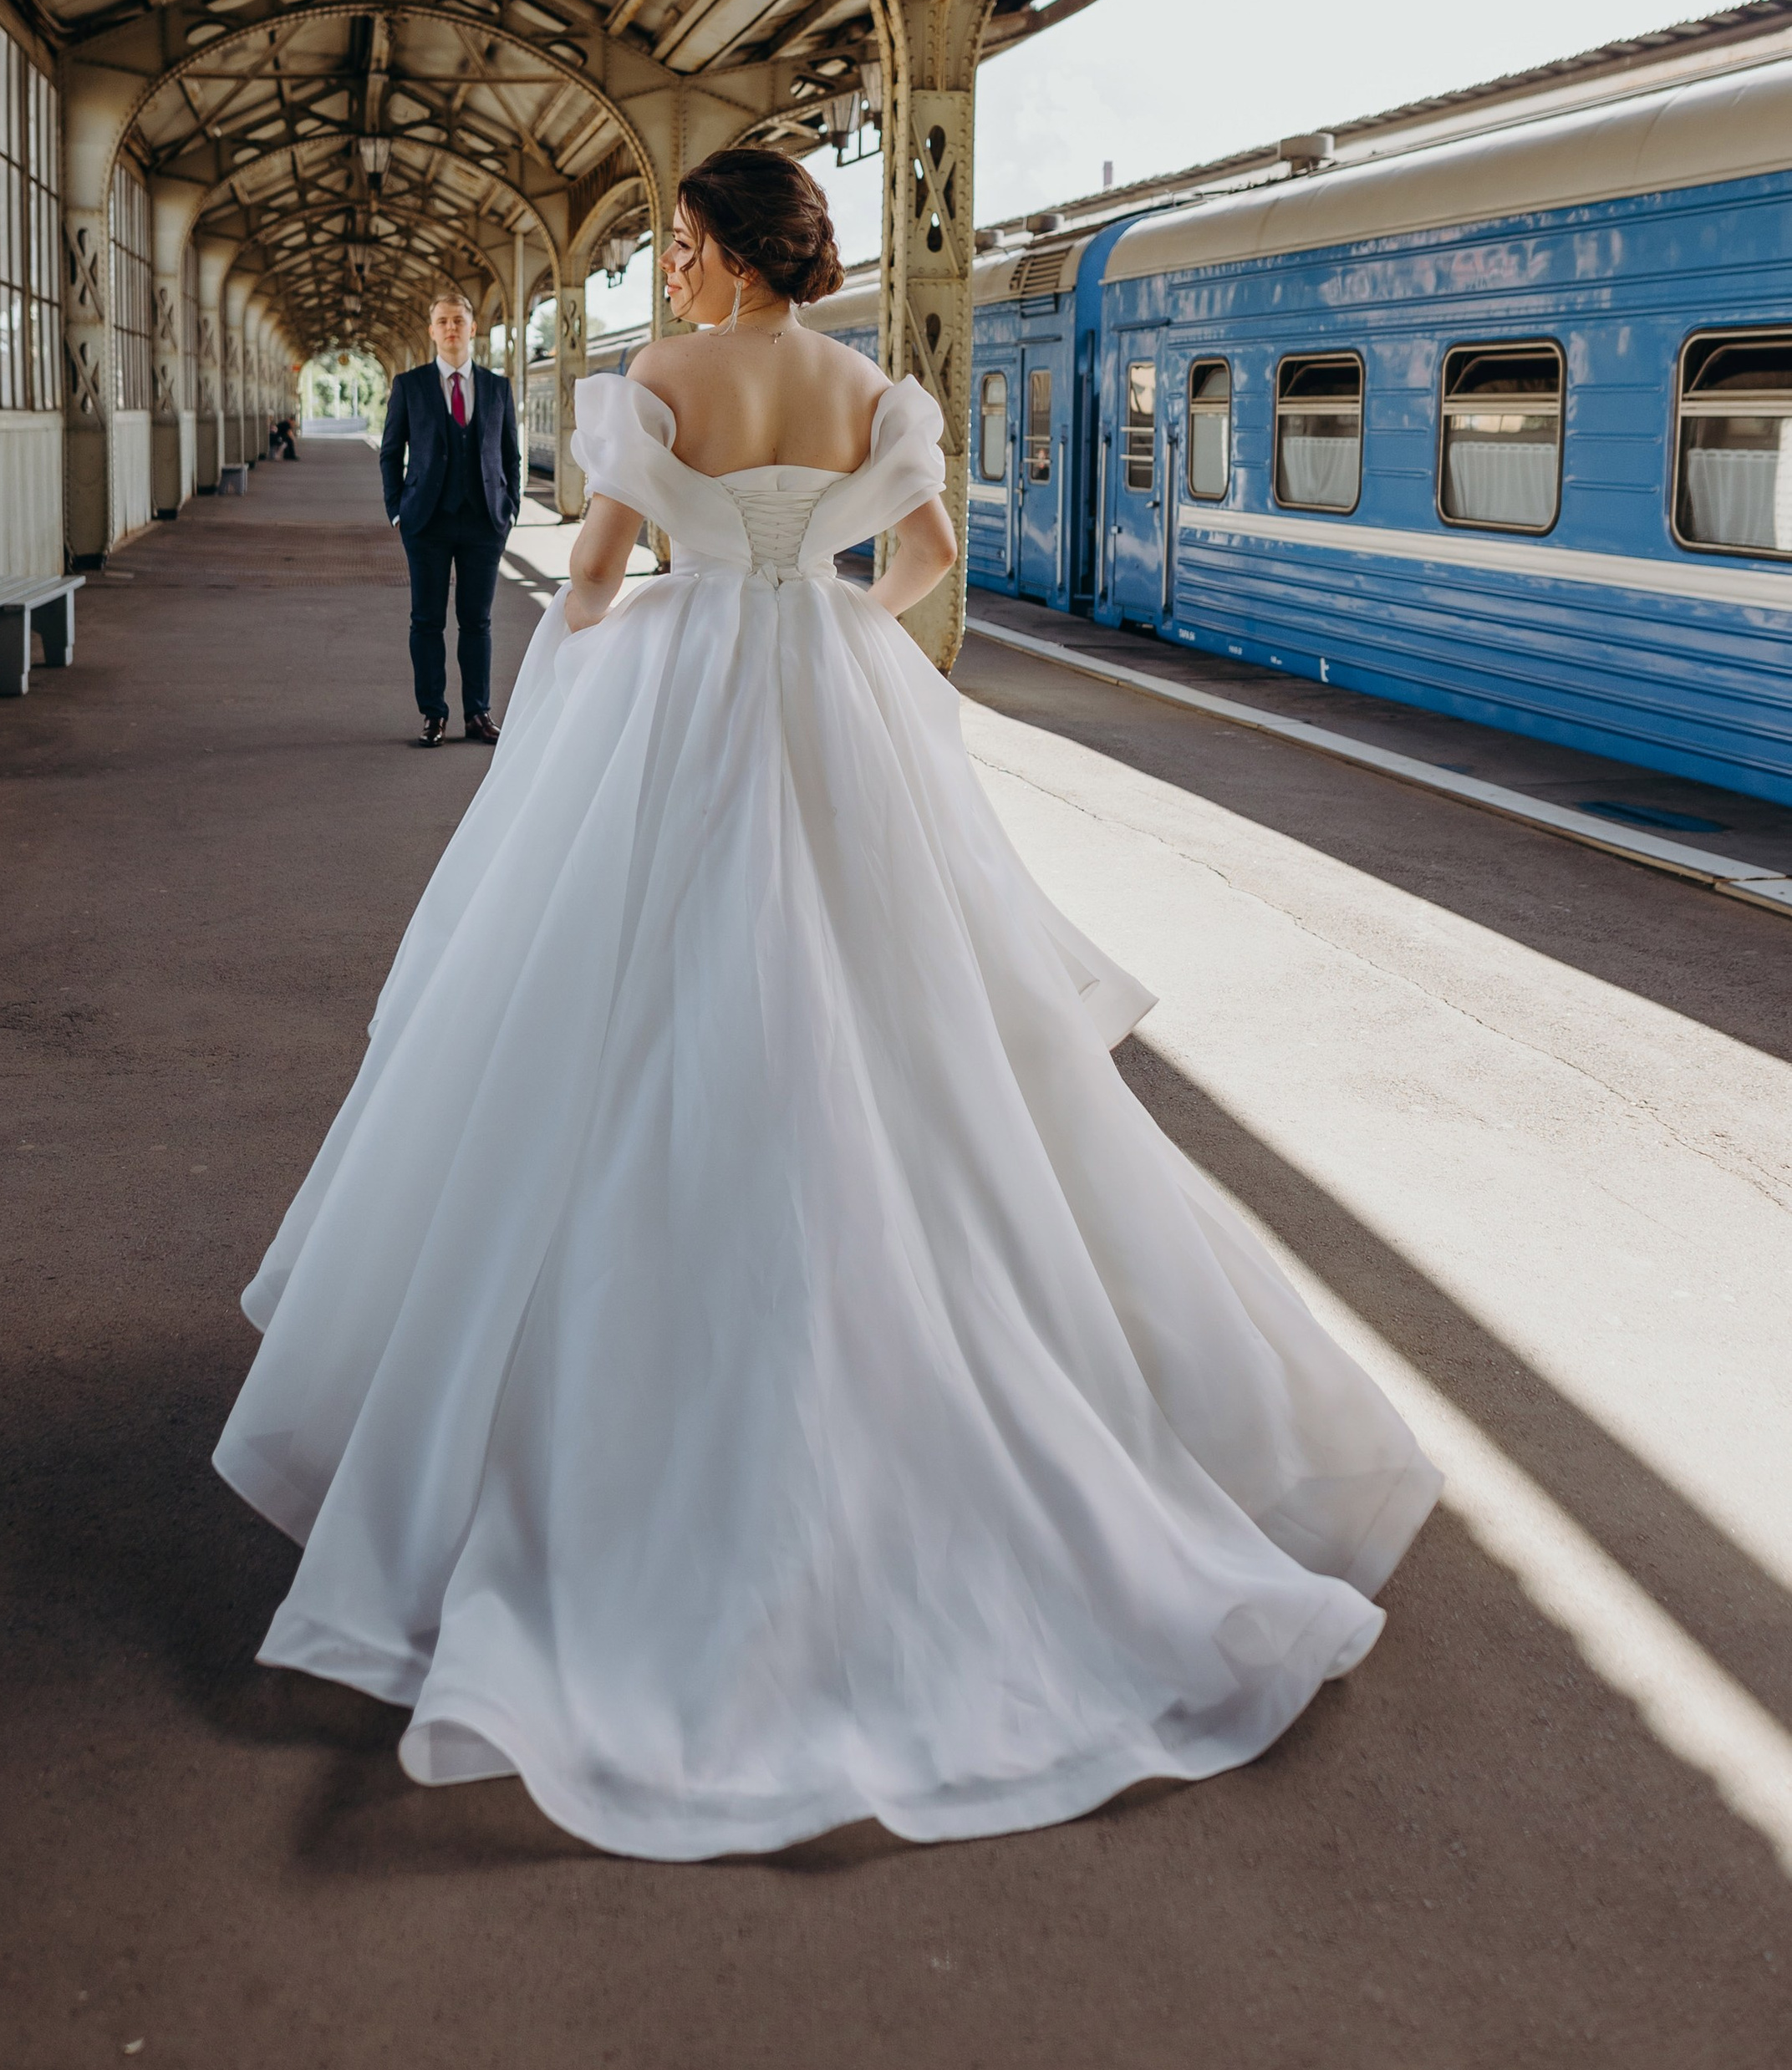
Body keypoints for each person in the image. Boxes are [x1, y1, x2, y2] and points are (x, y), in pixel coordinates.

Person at [216, 150, 1439, 1862]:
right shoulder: (871, 383)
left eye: (681, 247)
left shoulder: (657, 374)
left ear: (712, 252)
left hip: (683, 713)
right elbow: (930, 561)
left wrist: (593, 671)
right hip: (823, 704)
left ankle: (629, 1419)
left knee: (627, 1028)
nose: (677, 271)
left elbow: (593, 571)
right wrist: (837, 636)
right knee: (899, 1048)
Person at [377, 287, 522, 746]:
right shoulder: (410, 385)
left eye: (458, 320)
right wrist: (397, 512)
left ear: (472, 327)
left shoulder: (498, 387)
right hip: (426, 522)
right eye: (442, 321)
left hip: (484, 522)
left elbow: (510, 455)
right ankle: (434, 714)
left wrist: (510, 509)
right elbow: (389, 453)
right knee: (427, 621)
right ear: (431, 330)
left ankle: (477, 713)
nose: (451, 328)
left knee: (477, 621)